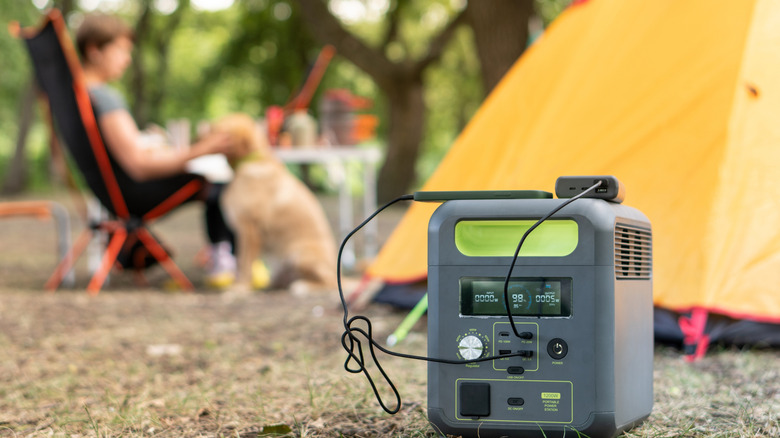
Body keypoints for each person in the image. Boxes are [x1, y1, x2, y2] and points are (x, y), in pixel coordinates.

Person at [75, 13, 236, 287]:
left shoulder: (76, 96)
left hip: (109, 193)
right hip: (134, 194)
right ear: (94, 51)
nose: (127, 59)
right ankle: (227, 259)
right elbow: (139, 165)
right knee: (217, 183)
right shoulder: (104, 97)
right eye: (122, 50)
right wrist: (201, 149)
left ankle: (221, 255)